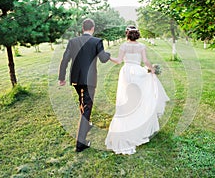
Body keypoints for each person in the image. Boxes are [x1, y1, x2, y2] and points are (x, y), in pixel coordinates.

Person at [105, 25, 169, 155]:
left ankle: (127, 122)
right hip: (138, 72)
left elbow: (118, 61)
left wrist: (108, 57)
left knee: (127, 98)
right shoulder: (141, 47)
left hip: (127, 72)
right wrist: (152, 69)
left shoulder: (123, 46)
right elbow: (145, 61)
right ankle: (139, 123)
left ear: (127, 35)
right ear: (137, 35)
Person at [58, 18, 110, 152]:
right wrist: (108, 54)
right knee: (86, 107)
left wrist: (61, 77)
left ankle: (86, 125)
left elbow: (65, 60)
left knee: (83, 102)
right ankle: (80, 143)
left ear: (83, 28)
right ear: (92, 28)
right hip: (90, 80)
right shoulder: (97, 41)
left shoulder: (73, 41)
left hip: (75, 79)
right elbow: (104, 59)